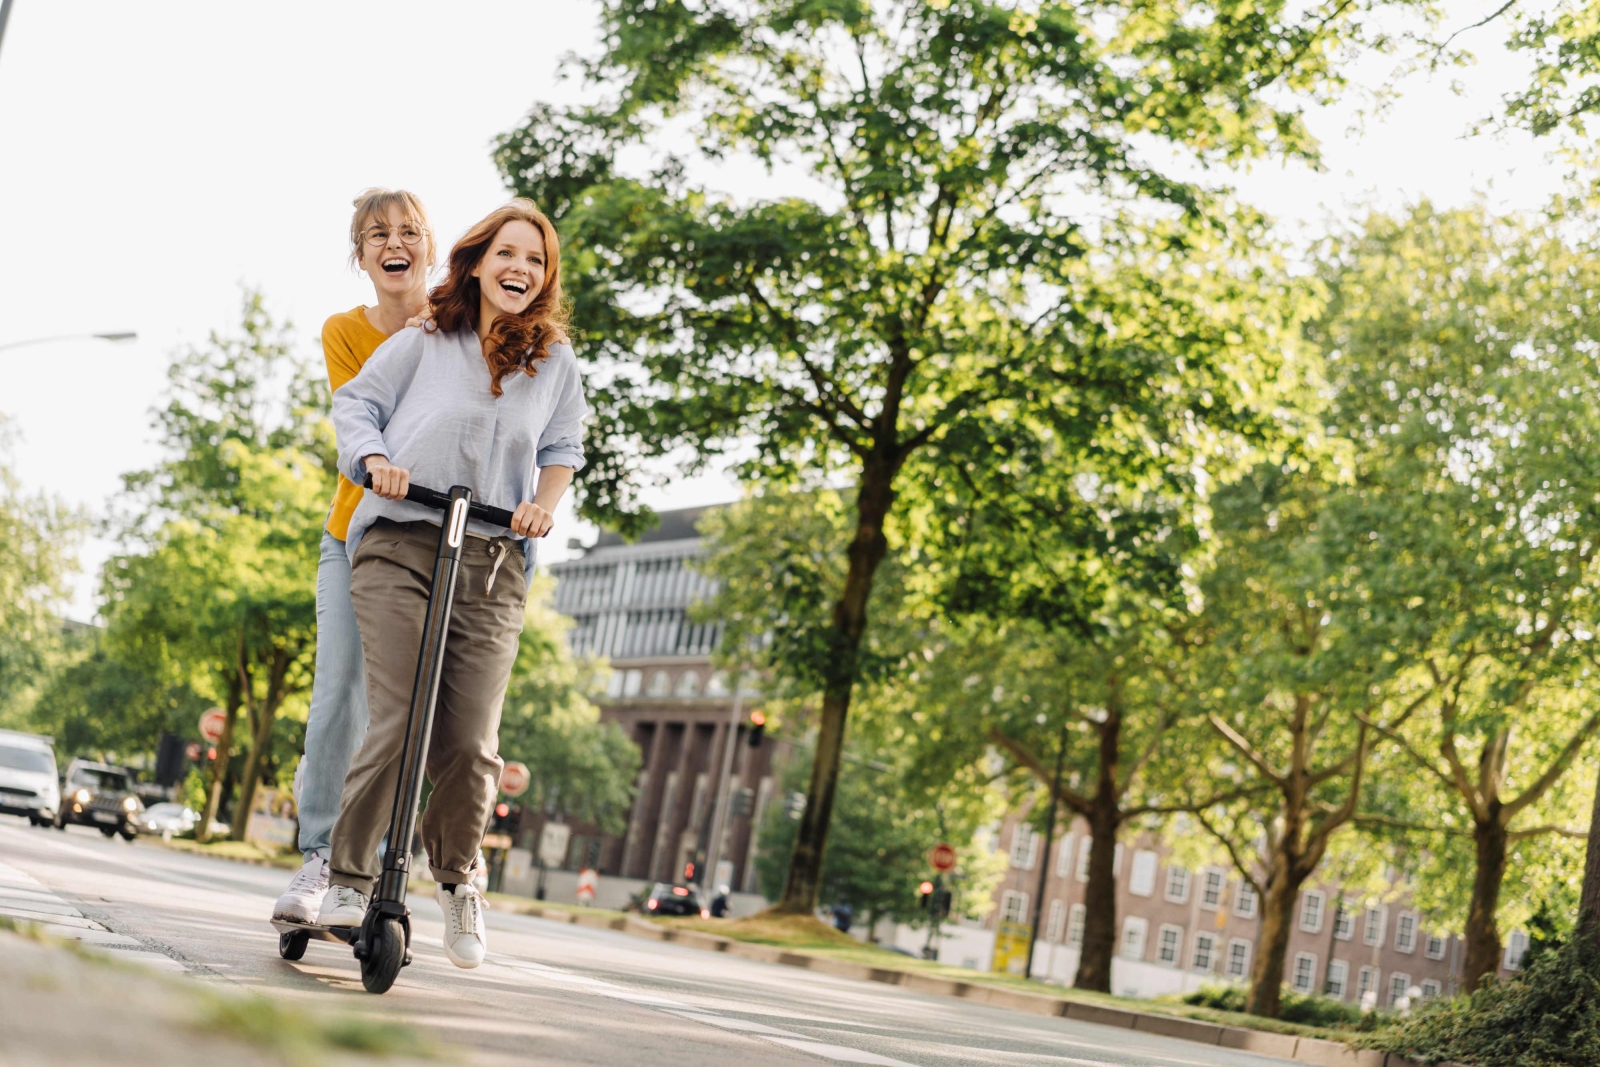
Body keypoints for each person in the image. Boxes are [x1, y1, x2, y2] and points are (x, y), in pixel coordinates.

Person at [315, 199, 586, 970]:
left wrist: (543, 504)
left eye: (535, 260)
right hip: (403, 538)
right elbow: (357, 403)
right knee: (397, 720)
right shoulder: (427, 336)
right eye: (507, 253)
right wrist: (375, 463)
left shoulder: (554, 361)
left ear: (545, 277)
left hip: (494, 558)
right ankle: (349, 875)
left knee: (470, 745)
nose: (519, 269)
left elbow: (562, 445)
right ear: (477, 260)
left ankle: (460, 879)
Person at [273, 189, 437, 924]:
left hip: (435, 538)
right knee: (339, 690)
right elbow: (360, 417)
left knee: (404, 709)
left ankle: (375, 858)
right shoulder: (345, 330)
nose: (392, 242)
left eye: (407, 231)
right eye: (376, 235)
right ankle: (318, 854)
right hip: (356, 534)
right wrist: (378, 459)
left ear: (428, 246)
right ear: (361, 254)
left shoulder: (460, 327)